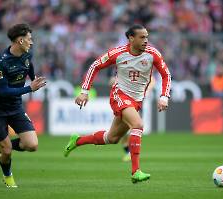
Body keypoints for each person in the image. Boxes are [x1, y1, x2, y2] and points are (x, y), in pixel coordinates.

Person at [63, 24, 171, 183]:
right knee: (138, 125)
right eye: (142, 37)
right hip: (119, 95)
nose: (146, 41)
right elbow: (95, 66)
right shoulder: (118, 53)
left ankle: (77, 141)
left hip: (137, 100)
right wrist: (84, 91)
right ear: (131, 38)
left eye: (147, 37)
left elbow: (166, 74)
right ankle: (136, 172)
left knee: (112, 138)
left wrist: (164, 96)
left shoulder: (152, 54)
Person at [0, 23, 46, 188]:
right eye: (29, 39)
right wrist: (29, 88)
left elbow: (28, 65)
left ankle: (4, 143)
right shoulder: (0, 62)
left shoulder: (27, 55)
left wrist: (33, 78)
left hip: (15, 107)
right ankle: (8, 176)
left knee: (32, 145)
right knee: (7, 151)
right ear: (20, 41)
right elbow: (3, 91)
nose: (31, 42)